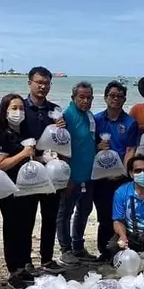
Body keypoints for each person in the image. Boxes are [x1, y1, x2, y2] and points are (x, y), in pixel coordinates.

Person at [23, 66, 67, 274]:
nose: (42, 86)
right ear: (30, 82)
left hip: (51, 172)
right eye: (38, 82)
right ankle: (25, 261)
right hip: (28, 171)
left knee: (50, 216)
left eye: (46, 83)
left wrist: (62, 127)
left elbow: (60, 142)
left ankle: (47, 260)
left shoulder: (54, 110)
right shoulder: (20, 108)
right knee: (27, 218)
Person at [0, 93, 38, 289]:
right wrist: (23, 153)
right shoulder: (1, 134)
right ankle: (14, 271)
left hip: (28, 188)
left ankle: (24, 265)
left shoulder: (26, 132)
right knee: (12, 230)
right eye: (13, 108)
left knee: (26, 227)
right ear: (5, 111)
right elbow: (1, 165)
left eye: (21, 108)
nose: (18, 112)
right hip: (9, 189)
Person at [93, 81, 138, 261]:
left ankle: (121, 248)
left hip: (121, 177)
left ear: (124, 99)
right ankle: (104, 251)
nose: (116, 99)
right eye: (112, 96)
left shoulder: (130, 123)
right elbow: (89, 146)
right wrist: (98, 146)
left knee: (120, 214)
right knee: (103, 216)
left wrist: (124, 172)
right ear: (105, 97)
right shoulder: (96, 120)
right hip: (100, 175)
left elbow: (130, 150)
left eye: (119, 96)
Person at [57, 81, 98, 265]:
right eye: (81, 97)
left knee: (84, 212)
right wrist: (66, 178)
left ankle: (78, 247)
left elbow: (89, 142)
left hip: (89, 176)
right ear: (73, 98)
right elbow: (61, 147)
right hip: (71, 177)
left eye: (89, 97)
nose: (85, 101)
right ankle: (65, 250)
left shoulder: (89, 116)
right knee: (65, 213)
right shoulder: (67, 116)